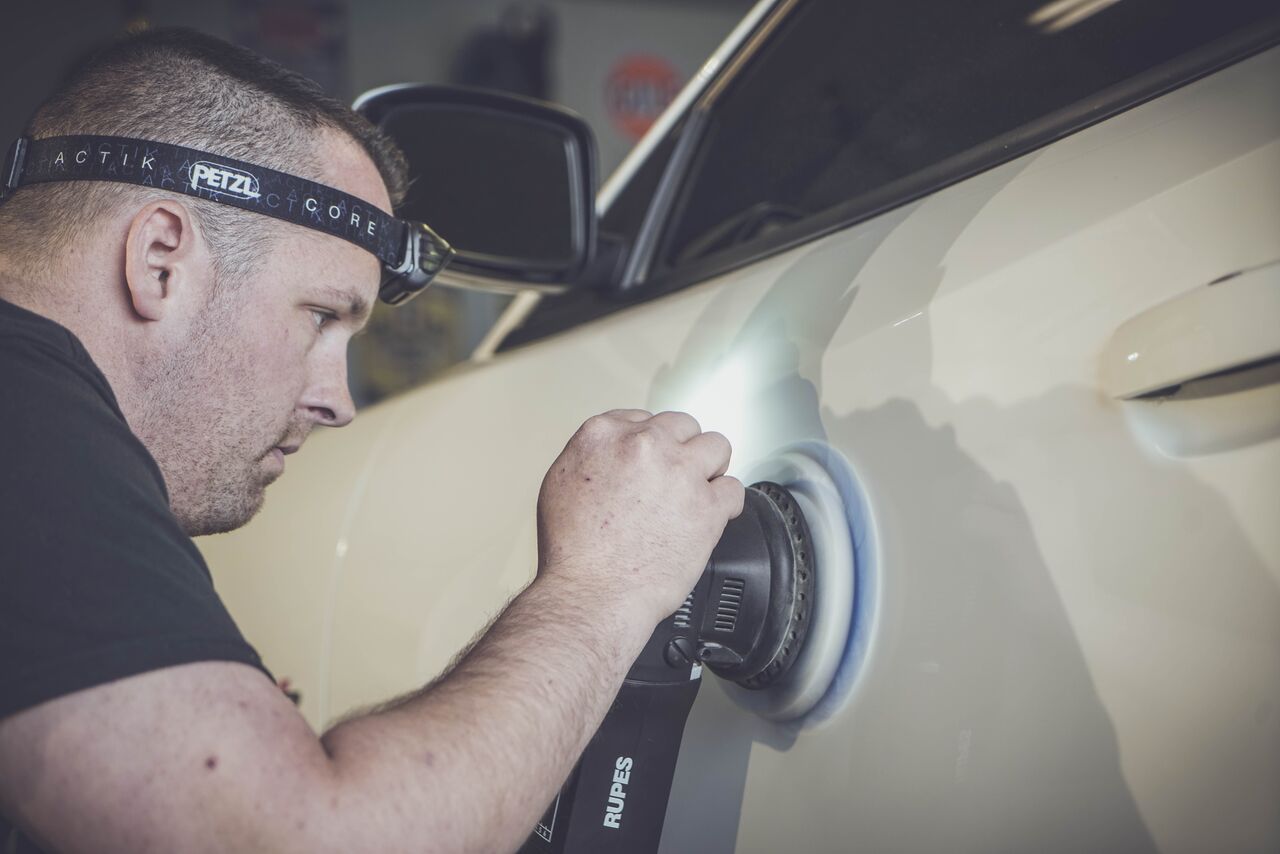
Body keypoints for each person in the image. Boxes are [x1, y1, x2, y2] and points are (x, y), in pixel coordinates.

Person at [0, 28, 743, 854]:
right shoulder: (24, 424)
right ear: (162, 261)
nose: (338, 402)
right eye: (321, 315)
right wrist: (603, 585)